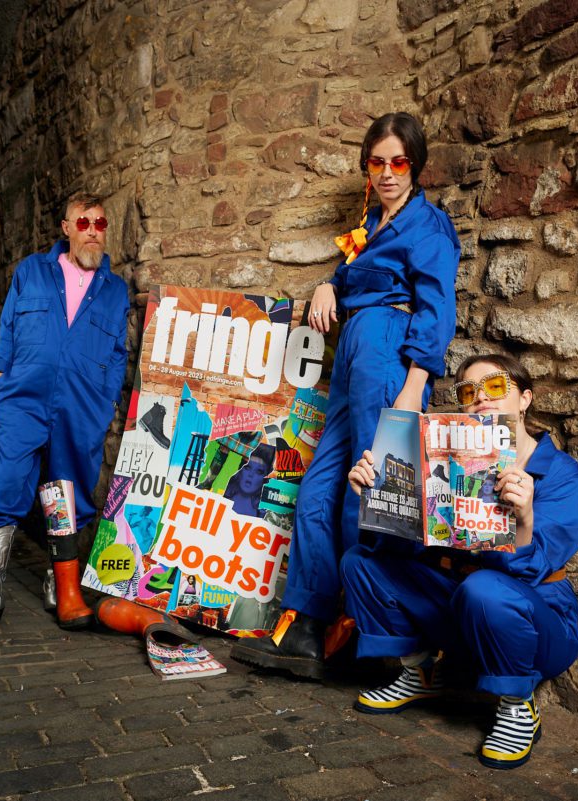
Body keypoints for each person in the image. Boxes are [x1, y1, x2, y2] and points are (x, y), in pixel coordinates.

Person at [231, 112, 460, 678]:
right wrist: (328, 283)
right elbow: (350, 273)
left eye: (398, 162)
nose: (387, 172)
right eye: (377, 162)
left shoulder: (428, 227)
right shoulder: (371, 223)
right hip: (352, 355)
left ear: (415, 165)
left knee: (373, 495)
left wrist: (411, 395)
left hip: (388, 352)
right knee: (320, 487)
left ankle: (369, 640)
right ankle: (306, 624)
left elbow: (437, 315)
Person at [341, 354, 578, 770]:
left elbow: (536, 567)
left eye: (495, 387)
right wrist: (372, 497)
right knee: (360, 563)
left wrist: (524, 519)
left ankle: (516, 705)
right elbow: (404, 549)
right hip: (458, 611)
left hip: (538, 623)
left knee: (485, 589)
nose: (480, 399)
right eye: (468, 392)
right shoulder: (446, 463)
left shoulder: (561, 474)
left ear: (525, 399)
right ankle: (421, 673)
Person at [0, 193, 129, 634]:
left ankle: (60, 584)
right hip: (24, 399)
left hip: (81, 405)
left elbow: (117, 353)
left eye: (100, 223)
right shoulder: (32, 272)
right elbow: (8, 329)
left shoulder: (115, 290)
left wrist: (106, 398)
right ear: (66, 227)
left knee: (67, 494)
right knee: (5, 485)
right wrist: (2, 377)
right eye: (83, 222)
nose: (93, 230)